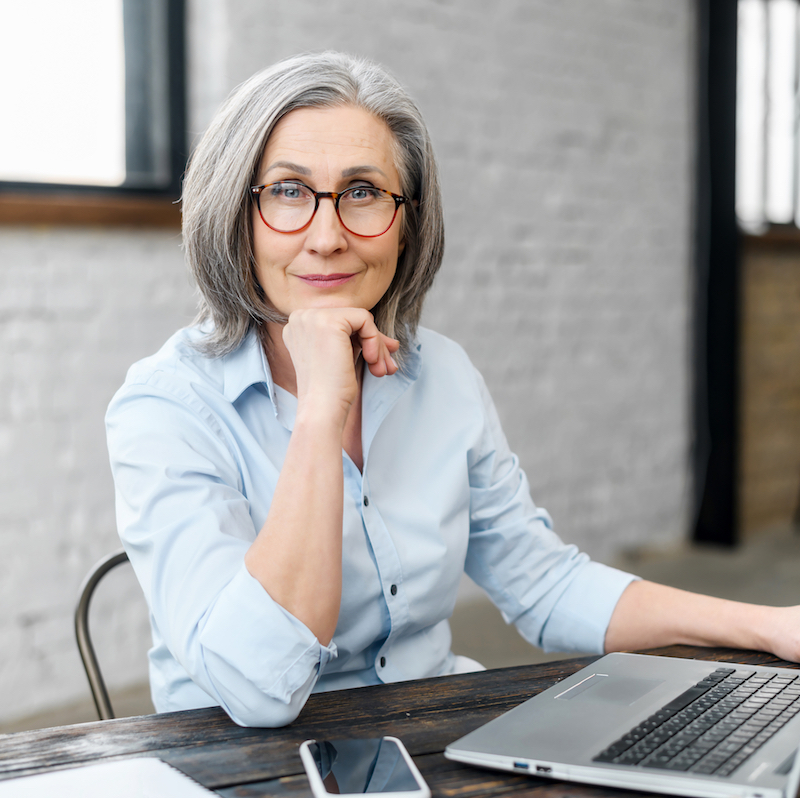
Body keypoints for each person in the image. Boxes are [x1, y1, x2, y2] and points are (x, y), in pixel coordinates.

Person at [106, 51, 800, 729]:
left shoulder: (440, 375)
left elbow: (545, 584)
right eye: (287, 191)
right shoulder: (167, 406)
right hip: (243, 767)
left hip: (432, 734)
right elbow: (258, 691)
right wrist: (322, 410)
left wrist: (770, 627)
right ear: (237, 214)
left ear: (406, 226)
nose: (326, 236)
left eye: (363, 193)